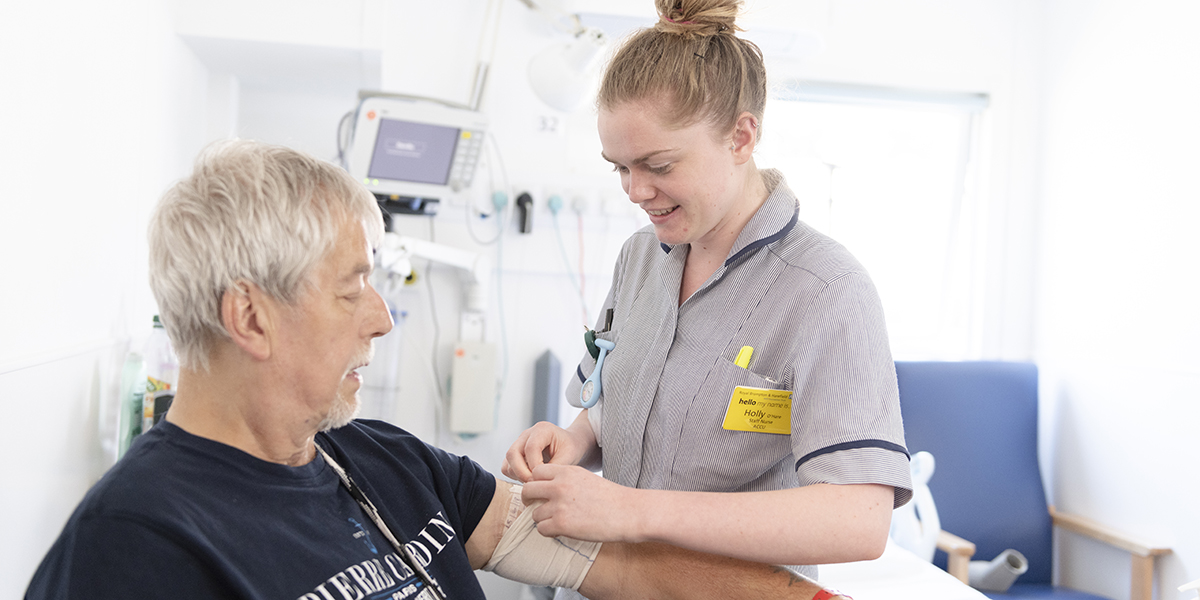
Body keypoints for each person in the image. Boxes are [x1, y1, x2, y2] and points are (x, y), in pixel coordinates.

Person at [24, 139, 854, 600]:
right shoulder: (134, 542)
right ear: (251, 317)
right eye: (354, 288)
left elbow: (619, 564)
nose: (383, 317)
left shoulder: (385, 461)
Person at [502, 0, 913, 595]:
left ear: (742, 136)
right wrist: (574, 441)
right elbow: (610, 397)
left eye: (659, 164)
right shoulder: (640, 258)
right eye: (619, 167)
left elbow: (858, 520)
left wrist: (633, 512)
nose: (636, 191)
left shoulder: (826, 290)